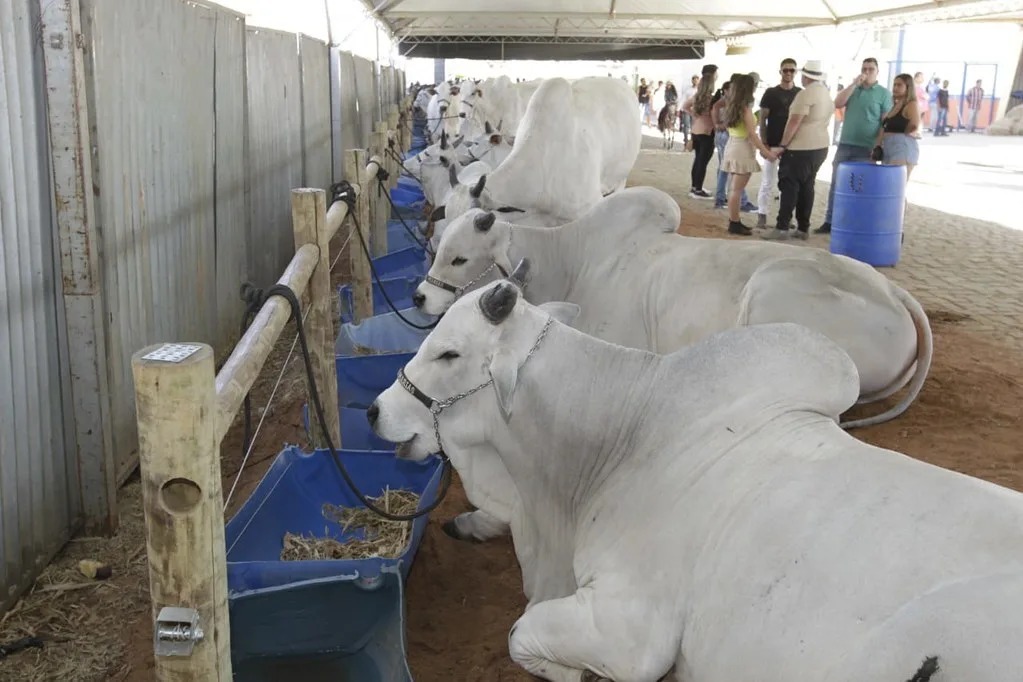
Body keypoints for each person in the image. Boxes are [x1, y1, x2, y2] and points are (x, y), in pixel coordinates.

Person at [817, 57, 892, 235]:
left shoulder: (883, 94)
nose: (867, 72)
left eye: (871, 69)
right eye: (864, 69)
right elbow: (837, 103)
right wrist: (853, 84)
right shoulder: (853, 89)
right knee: (836, 183)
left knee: (862, 187)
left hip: (866, 147)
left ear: (877, 72)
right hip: (845, 144)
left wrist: (878, 145)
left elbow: (884, 122)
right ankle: (830, 220)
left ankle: (857, 222)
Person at [762, 60, 834, 241]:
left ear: (805, 76)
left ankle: (782, 227)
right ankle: (803, 227)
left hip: (801, 148)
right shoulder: (825, 93)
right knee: (807, 186)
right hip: (820, 146)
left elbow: (794, 121)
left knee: (789, 186)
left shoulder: (805, 94)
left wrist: (783, 145)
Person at [721, 74, 779, 235]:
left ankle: (735, 220)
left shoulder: (732, 106)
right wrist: (766, 152)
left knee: (734, 188)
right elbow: (752, 135)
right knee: (737, 190)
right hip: (742, 147)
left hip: (733, 144)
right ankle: (734, 222)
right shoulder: (744, 109)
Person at [755, 58, 801, 229]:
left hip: (793, 145)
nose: (788, 73)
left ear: (796, 72)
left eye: (792, 70)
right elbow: (762, 119)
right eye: (785, 70)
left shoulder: (800, 93)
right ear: (780, 71)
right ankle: (762, 214)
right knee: (768, 181)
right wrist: (764, 142)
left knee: (789, 184)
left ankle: (786, 217)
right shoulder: (770, 93)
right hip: (773, 143)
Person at [712, 80, 756, 211]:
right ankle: (740, 202)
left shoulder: (731, 103)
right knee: (733, 175)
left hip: (729, 138)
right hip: (734, 140)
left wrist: (717, 124)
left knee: (725, 169)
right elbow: (751, 133)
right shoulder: (735, 104)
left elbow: (716, 108)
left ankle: (721, 199)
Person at [876, 73, 922, 182]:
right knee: (889, 187)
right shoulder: (895, 106)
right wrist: (878, 146)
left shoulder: (911, 104)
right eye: (894, 85)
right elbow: (883, 127)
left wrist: (903, 132)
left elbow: (915, 125)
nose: (895, 88)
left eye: (899, 85)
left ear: (908, 87)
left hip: (902, 146)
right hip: (888, 148)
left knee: (895, 187)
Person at [683, 64, 719, 199]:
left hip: (696, 130)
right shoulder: (712, 99)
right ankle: (697, 189)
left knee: (697, 160)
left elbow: (685, 107)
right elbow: (715, 115)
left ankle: (694, 186)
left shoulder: (697, 97)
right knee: (702, 162)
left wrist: (696, 115)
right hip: (707, 132)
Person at [678, 75, 699, 147]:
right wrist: (679, 109)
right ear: (692, 81)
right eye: (694, 80)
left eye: (697, 80)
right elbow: (683, 99)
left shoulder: (699, 90)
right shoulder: (688, 90)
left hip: (695, 110)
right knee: (686, 126)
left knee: (694, 126)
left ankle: (692, 141)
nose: (695, 81)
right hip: (686, 110)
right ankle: (686, 141)